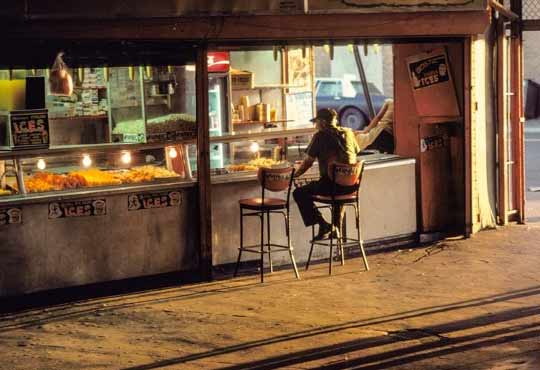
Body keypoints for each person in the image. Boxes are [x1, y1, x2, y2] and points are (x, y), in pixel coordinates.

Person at [293, 108, 361, 240]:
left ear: (323, 122)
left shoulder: (320, 136)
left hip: (332, 187)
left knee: (299, 193)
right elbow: (353, 154)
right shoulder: (348, 133)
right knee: (338, 185)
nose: (316, 125)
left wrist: (294, 175)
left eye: (316, 122)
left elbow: (308, 162)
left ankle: (323, 225)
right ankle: (336, 229)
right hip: (351, 186)